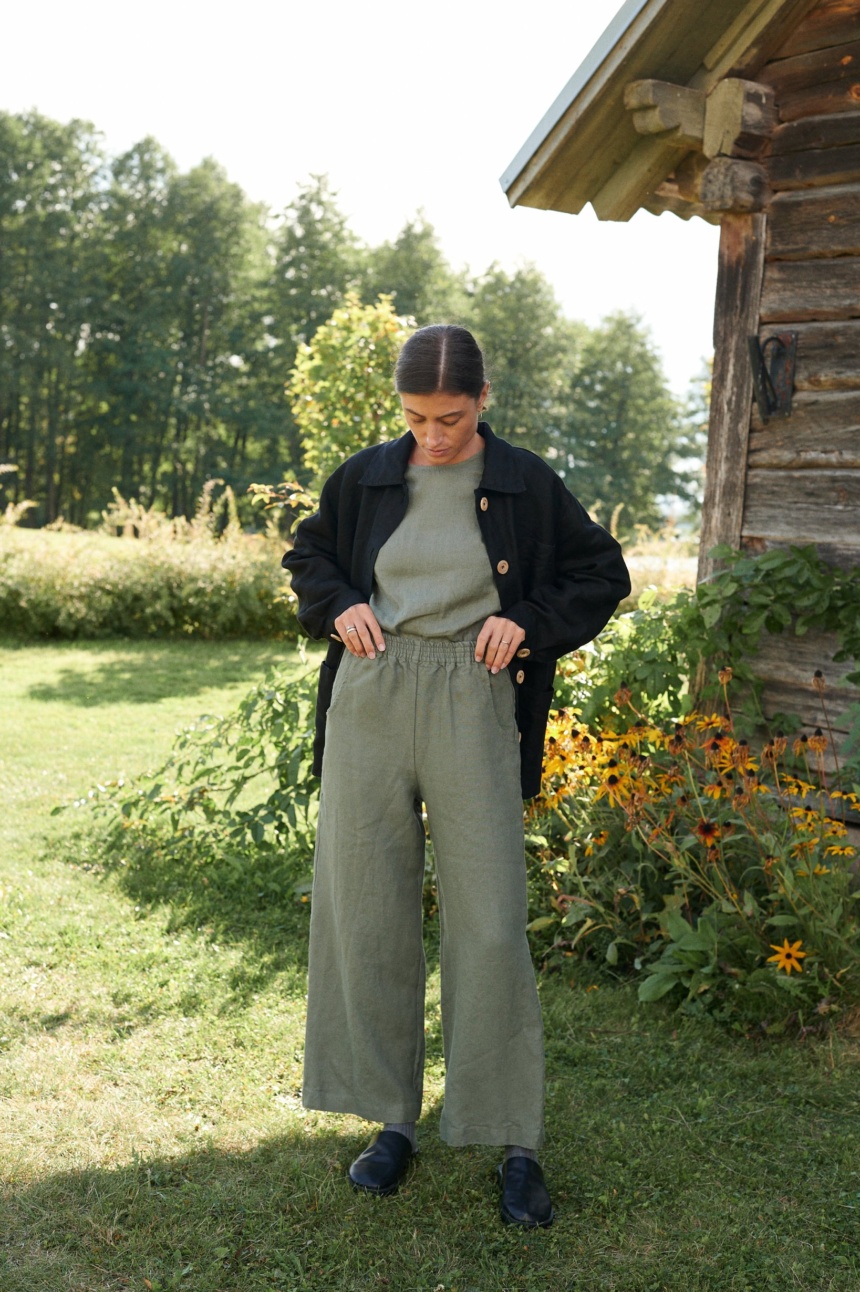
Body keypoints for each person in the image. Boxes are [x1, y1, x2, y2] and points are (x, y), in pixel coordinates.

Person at [282, 324, 630, 1228]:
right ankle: (392, 1122)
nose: (432, 437)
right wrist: (342, 604)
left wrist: (529, 621)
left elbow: (602, 571)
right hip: (370, 692)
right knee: (365, 909)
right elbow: (308, 556)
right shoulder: (365, 476)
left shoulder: (524, 481)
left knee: (488, 921)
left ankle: (514, 1138)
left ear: (484, 401)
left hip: (474, 697)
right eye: (416, 418)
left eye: (451, 418)